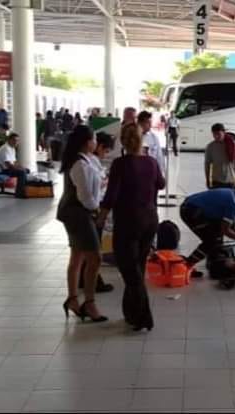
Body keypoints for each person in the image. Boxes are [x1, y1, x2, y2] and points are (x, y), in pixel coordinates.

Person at [98, 124, 165, 331]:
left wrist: (101, 217)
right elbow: (161, 184)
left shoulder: (120, 164)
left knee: (130, 271)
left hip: (128, 221)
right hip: (149, 219)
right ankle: (131, 313)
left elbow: (111, 195)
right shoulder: (152, 162)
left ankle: (144, 316)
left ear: (123, 141)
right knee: (138, 266)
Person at [56, 125, 108, 323]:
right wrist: (97, 210)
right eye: (94, 139)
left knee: (77, 256)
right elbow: (85, 197)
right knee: (94, 258)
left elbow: (95, 182)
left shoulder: (87, 160)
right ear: (88, 142)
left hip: (78, 212)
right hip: (78, 214)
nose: (96, 142)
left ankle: (73, 299)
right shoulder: (79, 164)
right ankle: (89, 301)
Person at [180, 186, 235, 277]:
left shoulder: (232, 193)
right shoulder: (233, 204)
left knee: (217, 235)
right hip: (191, 211)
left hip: (189, 205)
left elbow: (226, 218)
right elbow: (225, 230)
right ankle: (186, 266)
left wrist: (233, 228)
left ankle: (215, 264)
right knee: (211, 241)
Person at [78, 131, 115, 293]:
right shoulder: (85, 163)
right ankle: (91, 281)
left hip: (93, 205)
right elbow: (91, 187)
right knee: (93, 249)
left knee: (87, 249)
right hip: (91, 207)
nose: (104, 154)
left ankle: (83, 279)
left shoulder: (91, 160)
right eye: (105, 150)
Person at [0, 133, 29, 198]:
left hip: (8, 168)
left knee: (26, 170)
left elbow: (14, 162)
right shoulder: (5, 148)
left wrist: (21, 167)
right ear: (9, 140)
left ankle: (24, 190)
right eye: (14, 140)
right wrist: (19, 169)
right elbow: (8, 164)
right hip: (2, 169)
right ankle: (19, 193)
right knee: (21, 172)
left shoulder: (12, 148)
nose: (16, 142)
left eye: (17, 140)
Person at [205, 123, 235, 189]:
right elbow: (207, 165)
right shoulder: (210, 146)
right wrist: (208, 180)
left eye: (218, 134)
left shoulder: (232, 144)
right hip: (217, 181)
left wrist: (234, 176)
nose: (216, 136)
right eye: (214, 134)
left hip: (230, 181)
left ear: (224, 132)